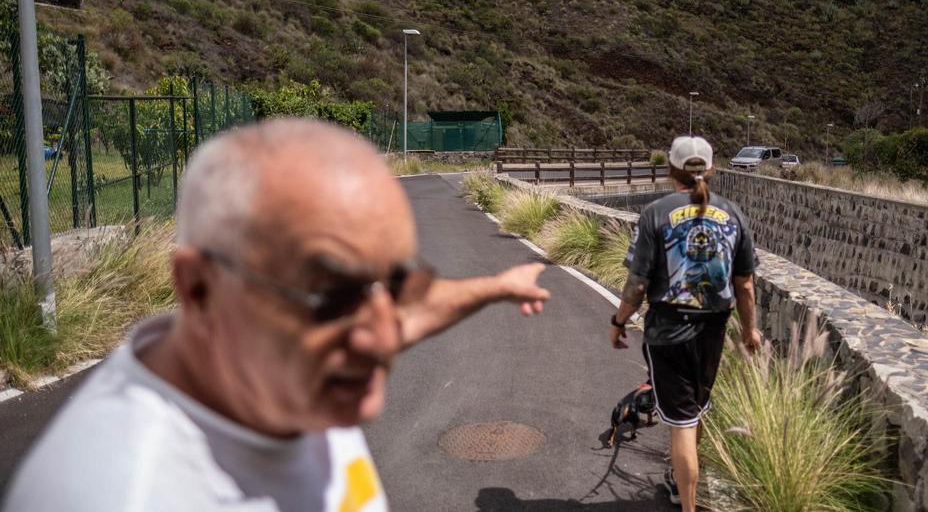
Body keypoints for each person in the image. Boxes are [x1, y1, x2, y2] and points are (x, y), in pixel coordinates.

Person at [4, 118, 550, 511]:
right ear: (199, 288)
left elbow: (408, 315)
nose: (384, 338)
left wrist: (498, 285)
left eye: (397, 283)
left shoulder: (289, 355)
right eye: (333, 294)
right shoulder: (123, 491)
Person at [609, 135, 760, 511]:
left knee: (682, 422)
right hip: (713, 332)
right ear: (710, 169)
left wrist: (619, 321)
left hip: (668, 332)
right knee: (697, 410)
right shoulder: (734, 213)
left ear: (671, 170)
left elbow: (638, 282)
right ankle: (687, 479)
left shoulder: (656, 213)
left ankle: (686, 499)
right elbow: (744, 284)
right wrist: (749, 329)